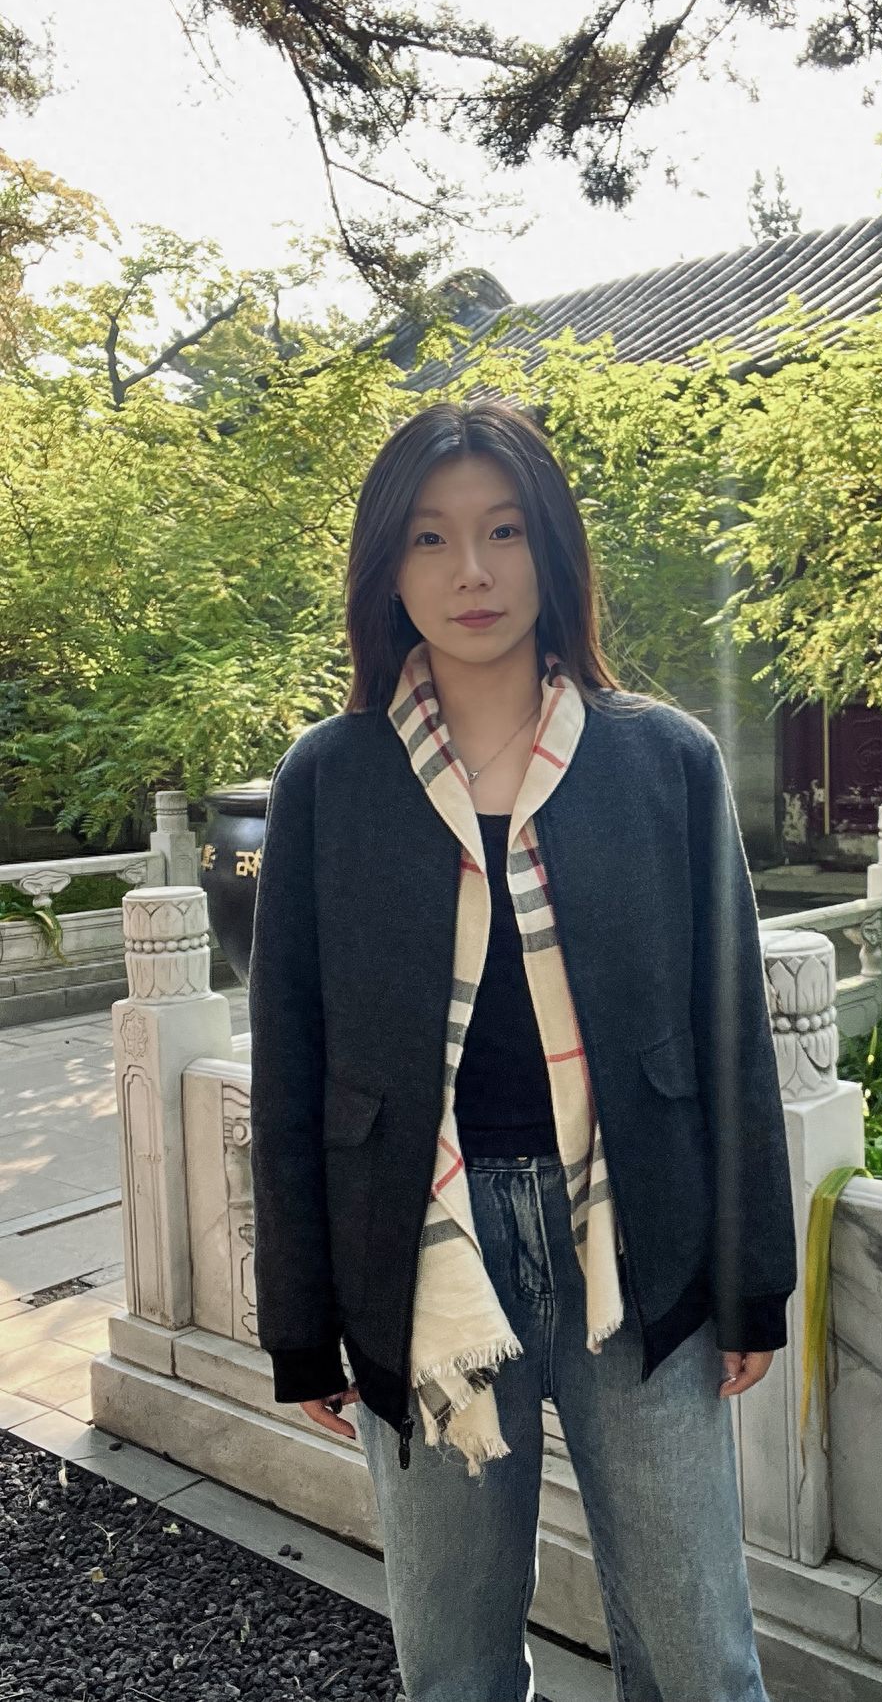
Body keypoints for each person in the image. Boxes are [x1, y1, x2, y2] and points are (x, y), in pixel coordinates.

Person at [248, 398, 798, 1702]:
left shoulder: (663, 762)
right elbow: (294, 1059)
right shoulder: (329, 779)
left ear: (554, 550)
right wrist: (302, 1321)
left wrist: (752, 1277)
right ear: (389, 570)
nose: (474, 572)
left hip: (635, 1249)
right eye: (432, 540)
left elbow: (732, 1032)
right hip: (423, 1258)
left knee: (700, 1657)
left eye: (505, 532)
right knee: (453, 1666)